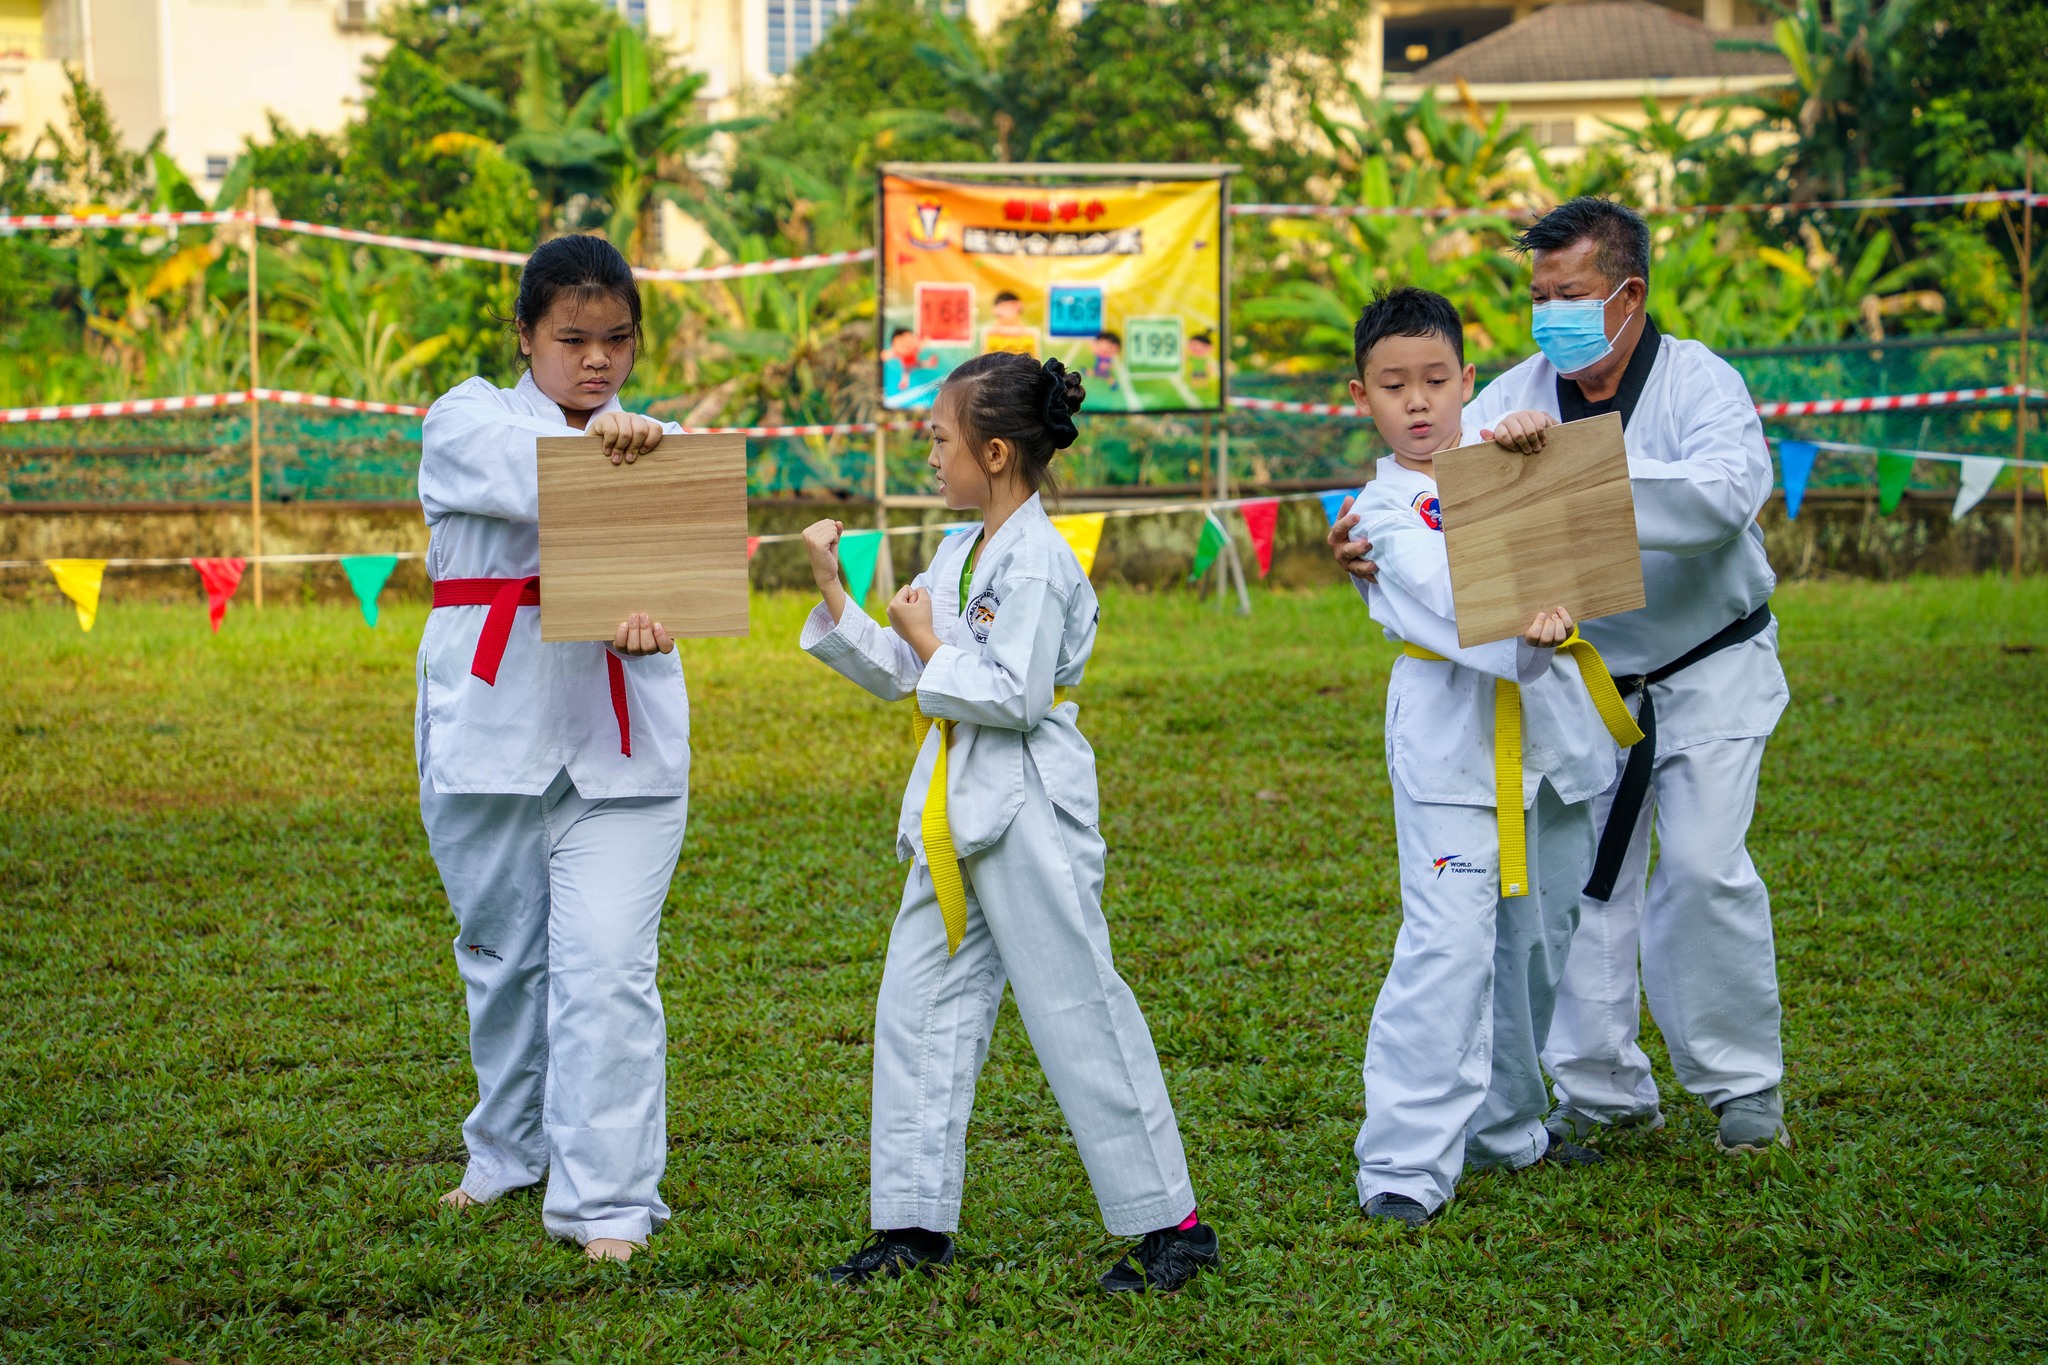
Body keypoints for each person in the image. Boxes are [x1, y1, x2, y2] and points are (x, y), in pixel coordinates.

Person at [1330, 198, 1792, 1154]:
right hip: (1572, 679)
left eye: (1571, 295)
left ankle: (1740, 1083)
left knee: (1705, 868)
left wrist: (1576, 471)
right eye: (1539, 298)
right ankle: (1600, 1087)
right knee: (1580, 892)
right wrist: (1364, 536)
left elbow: (1722, 498)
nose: (1552, 316)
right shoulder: (1506, 396)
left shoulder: (1702, 384)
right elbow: (1434, 490)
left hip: (1708, 663)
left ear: (1628, 293)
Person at [798, 352, 1216, 1293]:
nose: (927, 454)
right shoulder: (958, 552)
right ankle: (911, 1224)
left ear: (993, 452)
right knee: (918, 1005)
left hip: (1030, 800)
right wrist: (837, 596)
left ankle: (1173, 1226)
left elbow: (1017, 697)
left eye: (938, 439)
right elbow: (917, 676)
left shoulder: (1043, 559)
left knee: (1079, 1006)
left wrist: (927, 641)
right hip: (953, 805)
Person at [1336, 288, 1643, 1226]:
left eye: (1437, 380)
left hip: (1545, 735)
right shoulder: (1377, 514)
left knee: (1537, 941)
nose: (1419, 402)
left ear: (1469, 379)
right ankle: (1404, 1163)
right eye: (1395, 386)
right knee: (1445, 947)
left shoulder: (1497, 459)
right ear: (1363, 396)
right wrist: (1524, 627)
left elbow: (1568, 530)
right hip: (1450, 740)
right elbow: (1443, 596)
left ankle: (1509, 1125)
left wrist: (1533, 450)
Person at [416, 233, 691, 1263]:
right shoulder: (466, 418)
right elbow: (529, 480)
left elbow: (683, 568)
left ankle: (609, 1203)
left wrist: (663, 610)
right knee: (501, 956)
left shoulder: (656, 442)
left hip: (624, 740)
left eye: (617, 340)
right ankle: (504, 1150)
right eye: (572, 338)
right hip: (491, 721)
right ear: (524, 335)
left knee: (609, 969)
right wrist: (621, 453)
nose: (596, 361)